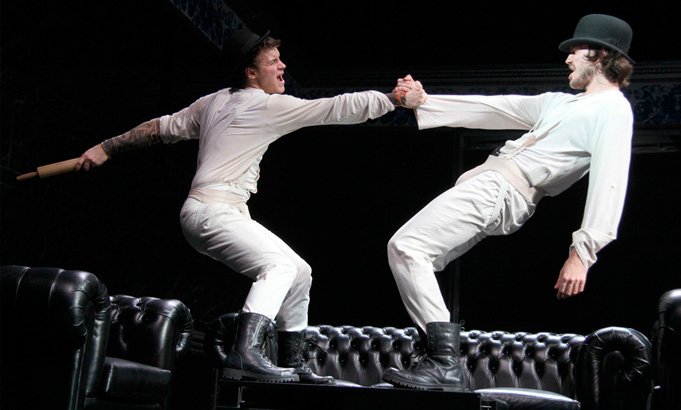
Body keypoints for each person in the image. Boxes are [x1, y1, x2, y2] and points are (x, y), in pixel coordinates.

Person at [75, 24, 405, 384]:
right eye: (273, 61)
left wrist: (107, 147)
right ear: (251, 72)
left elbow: (158, 129)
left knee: (299, 271)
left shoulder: (212, 102)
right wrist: (391, 99)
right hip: (212, 210)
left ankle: (292, 361)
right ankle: (245, 354)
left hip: (217, 212)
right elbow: (335, 108)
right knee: (279, 266)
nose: (282, 66)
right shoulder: (265, 106)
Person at [381, 14, 635, 391]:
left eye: (576, 51)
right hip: (493, 186)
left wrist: (582, 253)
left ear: (600, 55)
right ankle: (440, 360)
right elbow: (496, 107)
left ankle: (444, 363)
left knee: (407, 246)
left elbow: (610, 181)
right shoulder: (559, 103)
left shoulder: (613, 109)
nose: (567, 58)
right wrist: (425, 101)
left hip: (503, 190)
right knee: (417, 257)